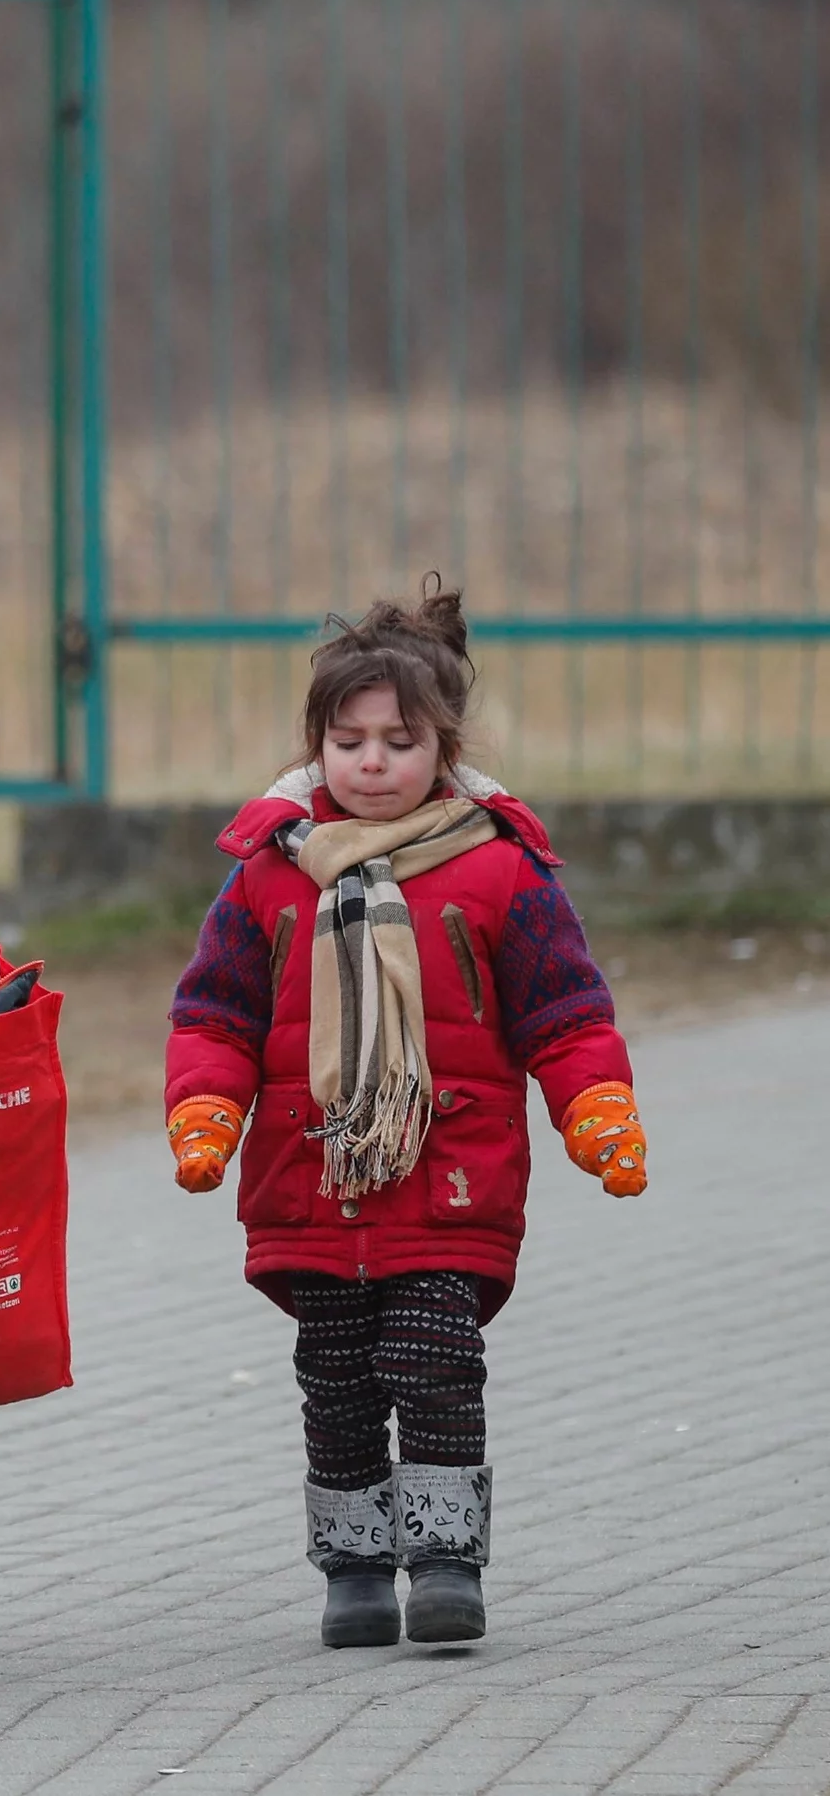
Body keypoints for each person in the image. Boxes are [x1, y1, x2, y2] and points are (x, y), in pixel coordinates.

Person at [164, 583, 644, 1649]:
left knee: (433, 1367)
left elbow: (563, 1012)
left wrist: (595, 1106)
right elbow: (214, 1014)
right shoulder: (264, 879)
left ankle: (441, 1559)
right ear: (315, 746)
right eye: (347, 741)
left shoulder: (496, 872)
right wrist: (204, 1109)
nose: (370, 762)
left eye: (397, 740)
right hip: (310, 1180)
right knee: (333, 1383)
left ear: (443, 747)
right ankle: (350, 1570)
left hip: (449, 1175)